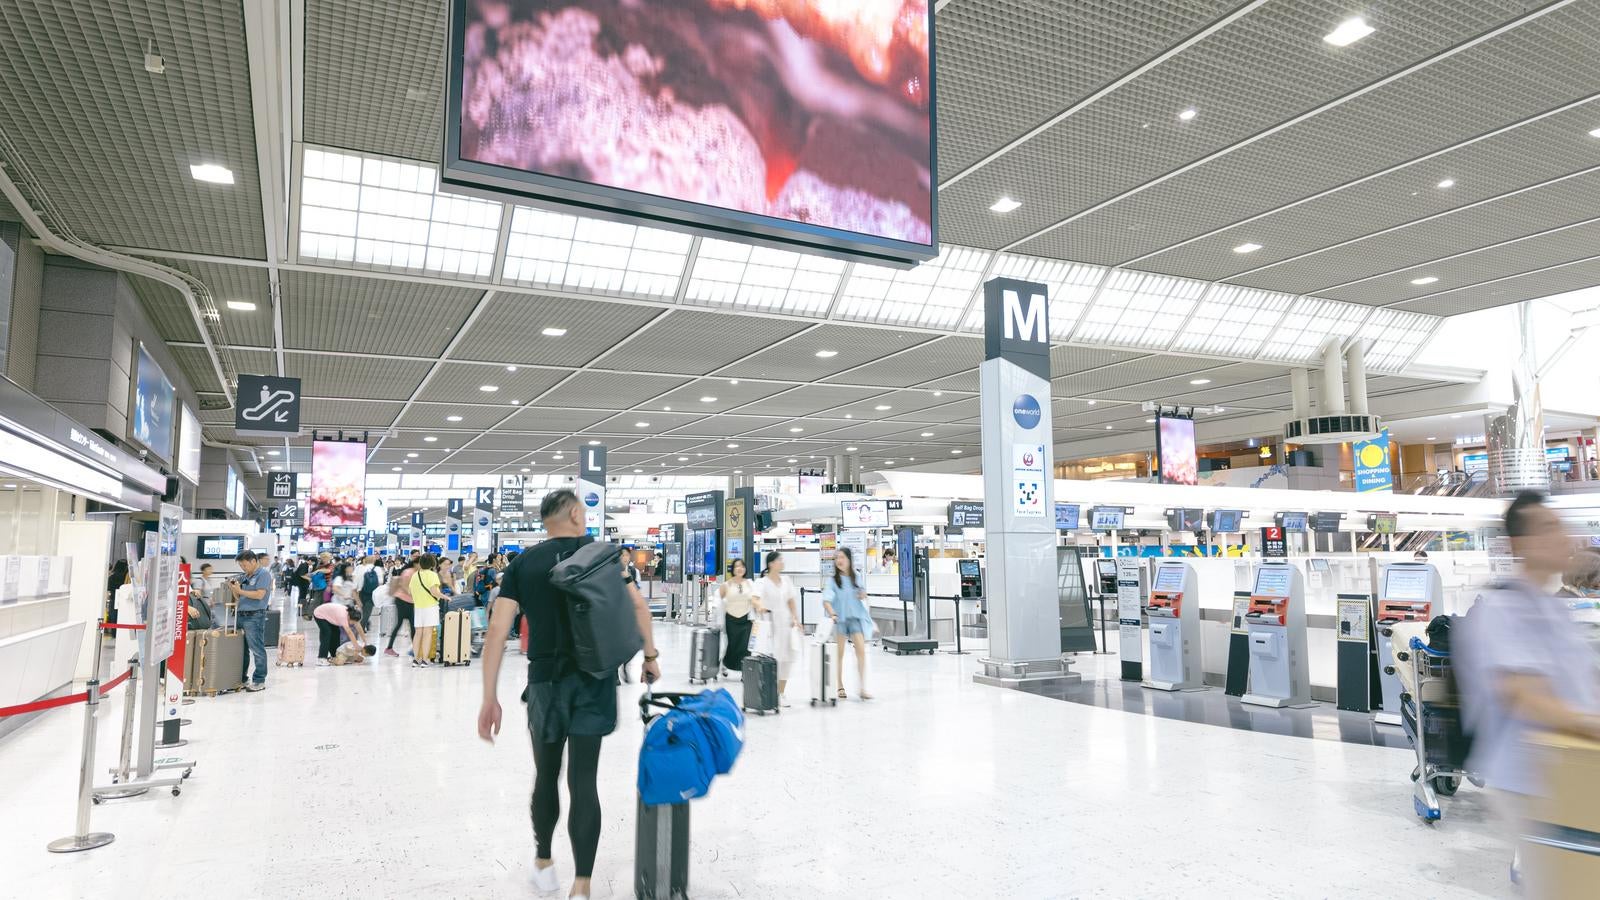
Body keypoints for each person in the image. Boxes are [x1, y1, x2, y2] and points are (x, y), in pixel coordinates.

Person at [476, 489, 660, 900]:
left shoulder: (523, 564)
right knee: (583, 779)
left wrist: (490, 696)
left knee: (546, 774)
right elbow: (639, 609)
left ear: (546, 521)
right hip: (593, 681)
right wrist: (650, 657)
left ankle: (543, 863)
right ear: (577, 514)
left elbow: (496, 631)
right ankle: (582, 885)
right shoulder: (604, 557)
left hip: (545, 683)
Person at [1459, 491, 1600, 890]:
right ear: (1520, 545)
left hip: (1570, 768)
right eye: (1548, 528)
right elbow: (1524, 696)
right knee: (1565, 885)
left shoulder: (1552, 606)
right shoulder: (1504, 610)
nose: (1563, 536)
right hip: (1531, 780)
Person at [821, 546, 873, 700]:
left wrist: (863, 594)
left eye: (842, 557)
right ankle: (839, 686)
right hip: (840, 620)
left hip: (855, 618)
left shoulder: (856, 576)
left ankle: (862, 687)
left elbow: (862, 592)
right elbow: (826, 600)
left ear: (849, 560)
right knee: (840, 654)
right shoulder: (832, 581)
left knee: (861, 652)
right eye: (837, 558)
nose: (839, 561)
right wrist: (832, 613)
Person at [754, 550, 802, 703]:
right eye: (779, 560)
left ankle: (781, 692)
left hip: (785, 625)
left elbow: (791, 601)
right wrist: (760, 606)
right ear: (771, 564)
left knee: (786, 659)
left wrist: (796, 618)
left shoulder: (786, 581)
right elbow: (755, 598)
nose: (782, 562)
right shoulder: (762, 582)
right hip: (770, 625)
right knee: (771, 658)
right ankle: (768, 691)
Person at [228, 551, 274, 692]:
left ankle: (259, 680)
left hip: (254, 616)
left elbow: (260, 595)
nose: (243, 567)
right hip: (241, 615)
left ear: (254, 561)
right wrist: (234, 588)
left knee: (257, 649)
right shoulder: (245, 576)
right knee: (242, 650)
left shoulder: (263, 574)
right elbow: (238, 597)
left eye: (245, 564)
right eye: (241, 565)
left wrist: (240, 591)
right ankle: (242, 678)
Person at [719, 558, 756, 677]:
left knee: (745, 647)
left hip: (746, 620)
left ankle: (744, 671)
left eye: (742, 566)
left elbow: (755, 599)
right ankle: (724, 664)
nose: (740, 569)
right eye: (737, 566)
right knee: (731, 645)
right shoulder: (726, 585)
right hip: (731, 620)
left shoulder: (750, 583)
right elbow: (718, 602)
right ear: (733, 569)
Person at [409, 554, 445, 668]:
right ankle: (425, 660)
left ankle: (415, 659)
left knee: (418, 633)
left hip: (418, 607)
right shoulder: (433, 575)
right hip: (430, 607)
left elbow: (410, 591)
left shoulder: (415, 575)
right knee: (428, 633)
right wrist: (445, 597)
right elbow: (434, 592)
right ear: (433, 563)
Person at [385, 556, 418, 658]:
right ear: (416, 564)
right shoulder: (409, 572)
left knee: (411, 625)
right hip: (403, 601)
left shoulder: (413, 572)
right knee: (407, 625)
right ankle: (414, 649)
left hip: (407, 601)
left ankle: (414, 649)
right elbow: (404, 586)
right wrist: (414, 594)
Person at [353, 554, 380, 630]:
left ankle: (363, 626)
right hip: (365, 592)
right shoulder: (359, 568)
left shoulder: (361, 569)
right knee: (364, 611)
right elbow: (380, 582)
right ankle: (364, 624)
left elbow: (355, 581)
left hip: (364, 592)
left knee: (365, 611)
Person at [105, 559, 129, 623]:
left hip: (113, 600)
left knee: (113, 620)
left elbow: (108, 589)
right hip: (123, 601)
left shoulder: (112, 577)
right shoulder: (126, 577)